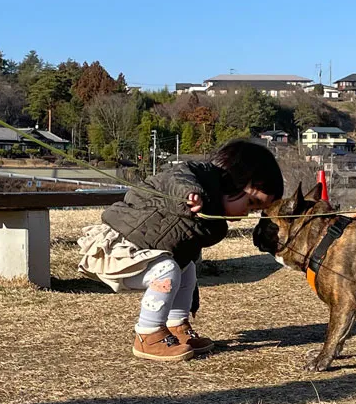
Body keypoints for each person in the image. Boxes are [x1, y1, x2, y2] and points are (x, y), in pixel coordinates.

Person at [76, 139, 284, 362]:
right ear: (232, 181)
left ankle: (176, 326)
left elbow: (185, 256)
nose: (246, 213)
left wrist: (190, 300)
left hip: (145, 254)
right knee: (167, 270)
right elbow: (178, 177)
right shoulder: (195, 180)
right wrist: (190, 193)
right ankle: (148, 335)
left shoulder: (210, 222)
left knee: (187, 268)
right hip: (118, 250)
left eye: (254, 210)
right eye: (251, 202)